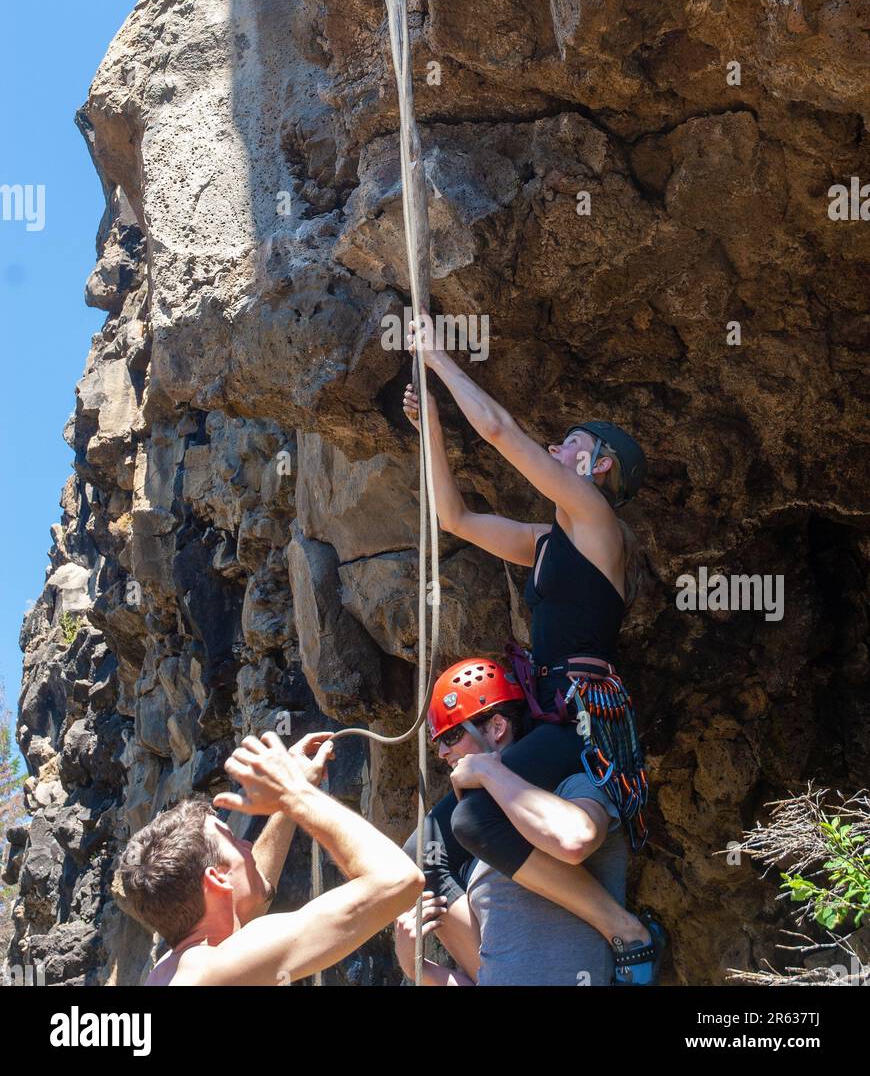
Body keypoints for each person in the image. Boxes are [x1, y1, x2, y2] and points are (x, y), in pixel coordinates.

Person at [403, 312, 665, 981]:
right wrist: (430, 424)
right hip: (554, 707)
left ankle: (623, 929)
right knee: (437, 836)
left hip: (581, 712)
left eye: (568, 442)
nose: (553, 445)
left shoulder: (597, 523)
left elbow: (498, 430)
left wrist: (439, 359)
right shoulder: (545, 541)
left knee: (476, 817)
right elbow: (453, 519)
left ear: (596, 464)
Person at [396, 658, 650, 986]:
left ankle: (626, 931)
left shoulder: (567, 788)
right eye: (439, 742)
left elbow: (576, 840)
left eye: (453, 735)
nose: (444, 752)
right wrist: (414, 966)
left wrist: (490, 771)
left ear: (498, 727)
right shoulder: (476, 851)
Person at [117, 730, 424, 985]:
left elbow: (245, 896)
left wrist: (288, 800)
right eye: (235, 842)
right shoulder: (220, 970)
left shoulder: (171, 970)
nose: (248, 847)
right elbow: (398, 880)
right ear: (215, 880)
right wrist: (296, 796)